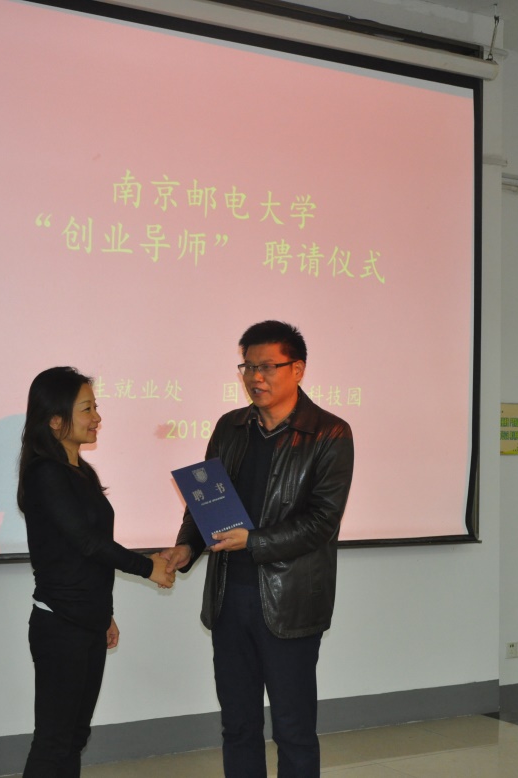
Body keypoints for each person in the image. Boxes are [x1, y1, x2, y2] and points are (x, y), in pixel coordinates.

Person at [160, 321, 354, 778]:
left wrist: (255, 541)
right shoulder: (231, 427)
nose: (255, 377)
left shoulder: (329, 433)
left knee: (293, 729)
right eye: (248, 366)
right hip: (229, 597)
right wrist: (187, 546)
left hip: (290, 604)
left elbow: (322, 522)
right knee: (238, 726)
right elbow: (206, 502)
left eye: (267, 366)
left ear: (297, 369)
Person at [18, 366, 175, 777]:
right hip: (60, 625)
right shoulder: (45, 473)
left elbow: (90, 555)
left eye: (95, 407)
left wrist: (104, 613)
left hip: (87, 620)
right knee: (53, 741)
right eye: (87, 409)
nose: (97, 418)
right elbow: (85, 542)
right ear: (56, 420)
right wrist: (149, 568)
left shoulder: (82, 473)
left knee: (75, 736)